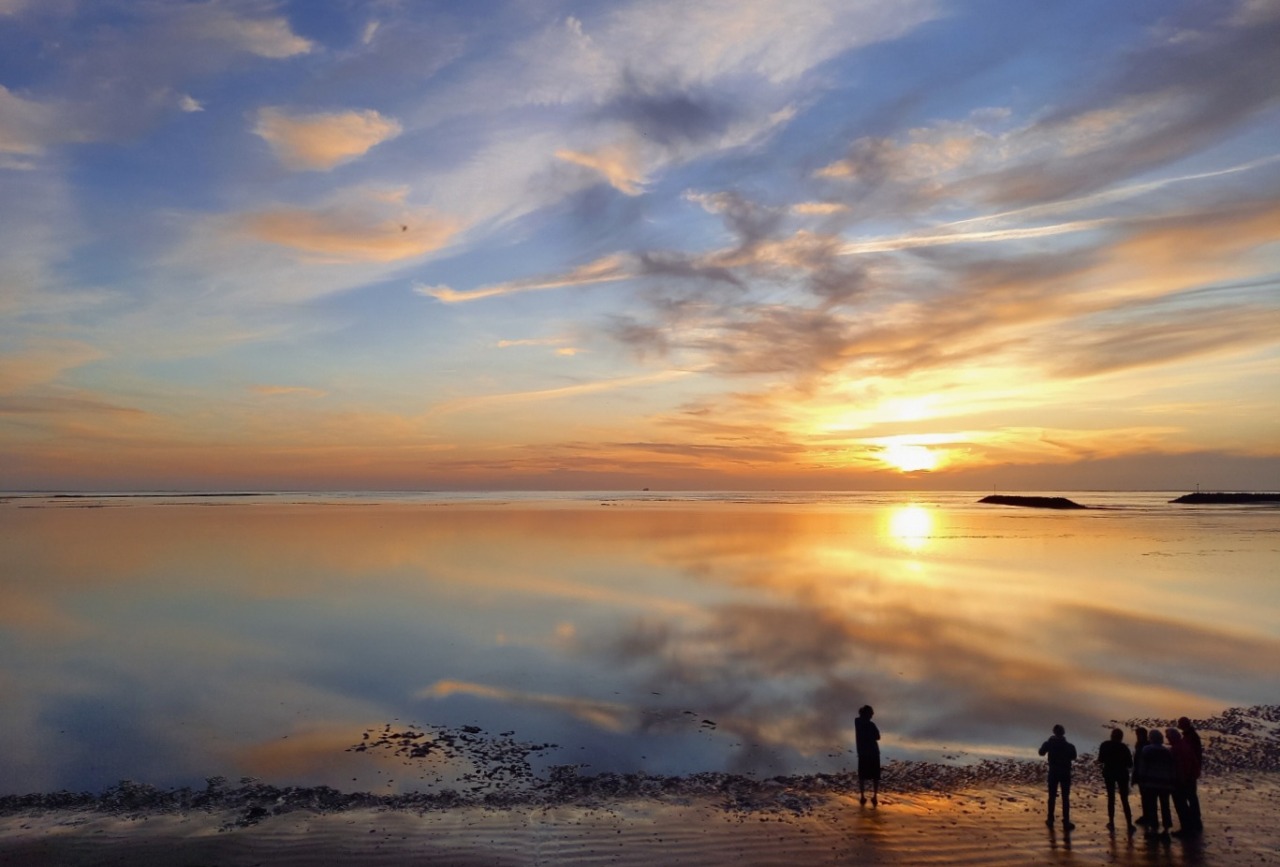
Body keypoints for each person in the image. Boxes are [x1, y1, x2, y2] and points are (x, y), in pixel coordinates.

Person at [1039, 724, 1077, 831]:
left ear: (1054, 732)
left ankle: (1050, 819)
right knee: (1065, 797)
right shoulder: (1070, 746)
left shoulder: (1049, 743)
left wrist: (1048, 743)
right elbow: (1074, 756)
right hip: (1065, 773)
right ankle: (1066, 821)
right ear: (1063, 733)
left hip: (1053, 772)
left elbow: (1041, 753)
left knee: (1052, 796)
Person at [1097, 727, 1135, 832]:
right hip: (1122, 774)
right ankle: (1129, 824)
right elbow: (1130, 764)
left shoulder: (1105, 745)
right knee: (1124, 799)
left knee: (1111, 798)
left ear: (1111, 736)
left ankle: (1111, 822)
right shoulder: (1124, 748)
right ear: (1121, 737)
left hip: (1109, 772)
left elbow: (1100, 759)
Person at [1167, 727, 1203, 836]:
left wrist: (1181, 780)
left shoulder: (1176, 749)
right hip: (1190, 778)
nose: (1167, 739)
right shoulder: (1185, 745)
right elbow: (1194, 762)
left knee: (1181, 805)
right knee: (1190, 801)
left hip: (1181, 781)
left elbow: (1179, 766)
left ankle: (1186, 828)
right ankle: (1194, 824)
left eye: (1168, 737)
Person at [1140, 729, 1175, 836]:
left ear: (1151, 738)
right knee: (1165, 805)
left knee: (1152, 805)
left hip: (1151, 781)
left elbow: (1143, 766)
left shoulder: (1146, 749)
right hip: (1165, 782)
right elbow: (1171, 767)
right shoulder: (1167, 751)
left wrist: (1142, 779)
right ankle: (1166, 827)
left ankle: (1154, 826)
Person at [1177, 716, 1204, 831]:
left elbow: (1190, 756)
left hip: (1189, 772)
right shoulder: (1191, 736)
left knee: (1190, 796)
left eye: (1180, 723)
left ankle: (1194, 822)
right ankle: (1195, 821)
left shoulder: (1190, 737)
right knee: (1191, 796)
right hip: (1191, 771)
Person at [854, 705, 880, 806]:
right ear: (867, 714)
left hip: (863, 752)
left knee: (863, 776)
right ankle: (874, 796)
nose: (872, 715)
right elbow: (878, 736)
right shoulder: (870, 724)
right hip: (872, 752)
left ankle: (863, 796)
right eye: (871, 713)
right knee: (875, 776)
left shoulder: (858, 722)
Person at [1132, 726, 1150, 826]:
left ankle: (1148, 816)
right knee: (1144, 796)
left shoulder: (1145, 746)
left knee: (1147, 796)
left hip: (1145, 775)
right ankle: (1146, 815)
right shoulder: (1139, 745)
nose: (1137, 736)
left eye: (1138, 734)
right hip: (1141, 774)